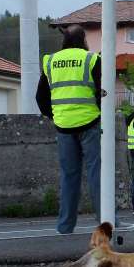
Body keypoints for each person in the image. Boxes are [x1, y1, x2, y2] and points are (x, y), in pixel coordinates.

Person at [35, 24, 102, 234]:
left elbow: (40, 98)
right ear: (83, 39)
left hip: (63, 126)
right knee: (96, 174)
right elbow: (101, 92)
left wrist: (55, 116)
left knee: (68, 176)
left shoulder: (51, 61)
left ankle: (65, 226)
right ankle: (107, 222)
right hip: (89, 123)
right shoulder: (91, 59)